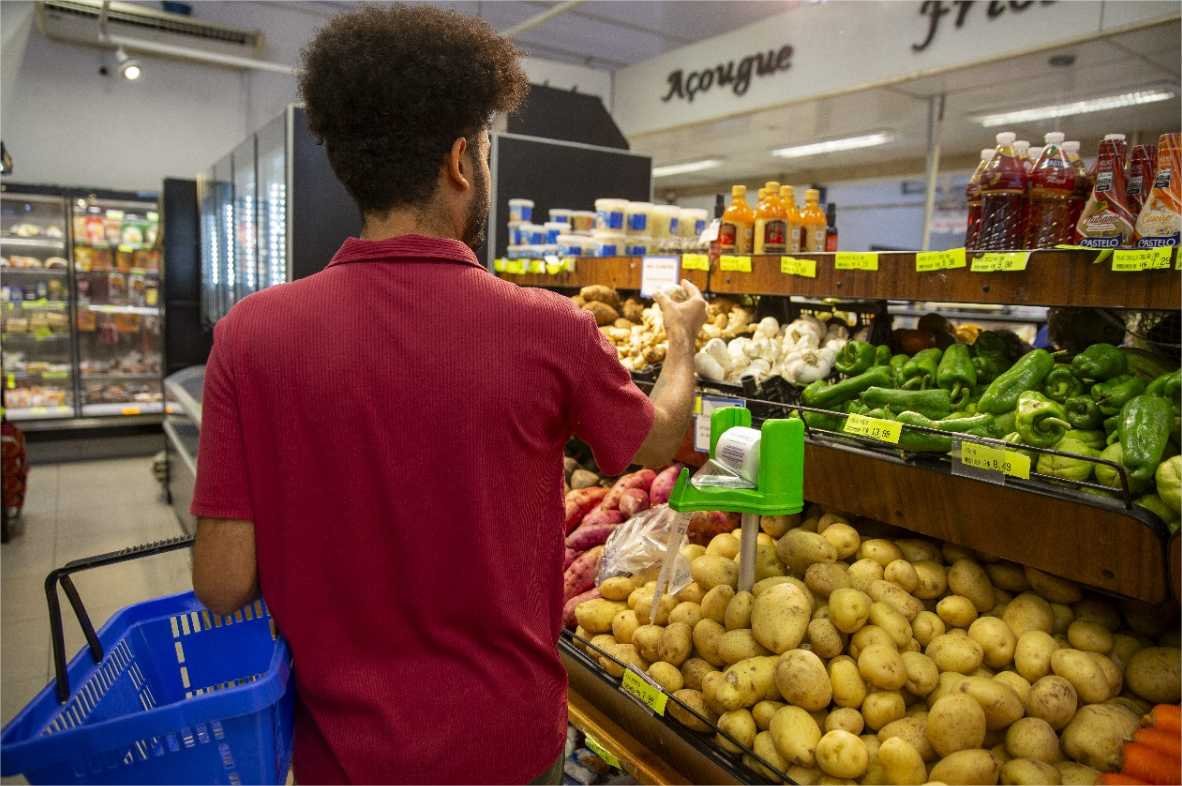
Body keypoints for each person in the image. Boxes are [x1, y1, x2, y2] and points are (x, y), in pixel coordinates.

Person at [190, 5, 706, 784]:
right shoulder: (549, 329)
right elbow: (660, 440)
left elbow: (223, 582)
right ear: (461, 161)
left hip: (340, 755)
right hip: (506, 745)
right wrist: (682, 340)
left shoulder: (249, 336)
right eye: (487, 148)